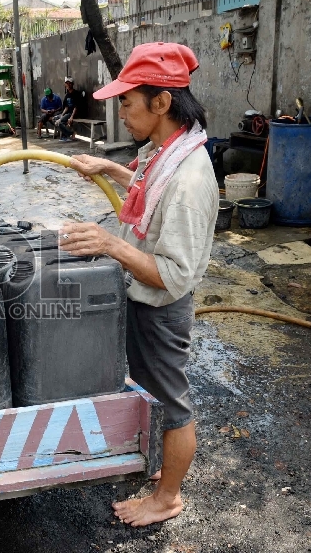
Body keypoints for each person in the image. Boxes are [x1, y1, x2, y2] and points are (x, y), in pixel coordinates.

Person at [60, 42, 218, 527]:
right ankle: (162, 469)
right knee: (150, 386)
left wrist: (111, 243)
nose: (121, 112)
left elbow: (173, 274)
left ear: (162, 102)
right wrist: (109, 168)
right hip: (141, 296)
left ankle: (168, 497)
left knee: (172, 402)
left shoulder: (190, 180)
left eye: (127, 102)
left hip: (161, 304)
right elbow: (148, 187)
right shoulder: (168, 151)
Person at [57, 77, 81, 142]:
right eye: (67, 83)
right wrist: (62, 115)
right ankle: (65, 135)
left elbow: (76, 107)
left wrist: (71, 117)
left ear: (72, 84)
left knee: (60, 122)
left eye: (69, 83)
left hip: (74, 113)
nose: (68, 85)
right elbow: (66, 107)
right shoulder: (67, 95)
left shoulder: (76, 94)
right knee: (56, 119)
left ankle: (70, 134)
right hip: (68, 113)